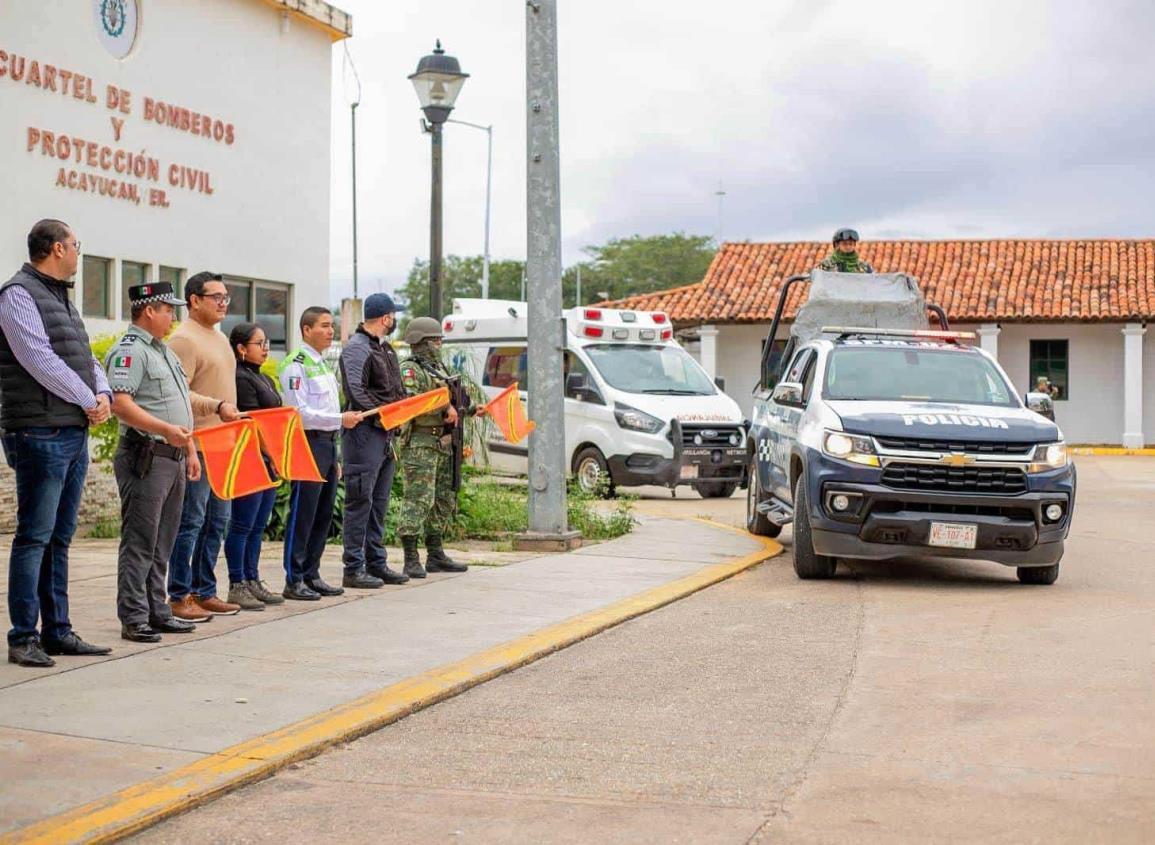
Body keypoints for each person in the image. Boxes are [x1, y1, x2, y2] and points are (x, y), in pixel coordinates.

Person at [0, 219, 112, 667]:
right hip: (39, 432)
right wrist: (89, 399)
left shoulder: (62, 298)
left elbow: (85, 358)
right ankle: (23, 635)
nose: (79, 252)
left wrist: (102, 394)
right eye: (76, 245)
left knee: (60, 538)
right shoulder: (17, 295)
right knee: (34, 537)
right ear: (56, 248)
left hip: (70, 428)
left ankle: (58, 630)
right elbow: (38, 359)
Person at [106, 283, 202, 643]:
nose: (173, 317)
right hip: (145, 456)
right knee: (140, 541)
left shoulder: (163, 352)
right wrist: (166, 430)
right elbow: (121, 403)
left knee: (163, 541)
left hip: (173, 456)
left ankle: (157, 611)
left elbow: (181, 403)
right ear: (149, 310)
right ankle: (134, 617)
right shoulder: (129, 351)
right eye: (167, 310)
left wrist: (189, 450)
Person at [166, 272, 243, 622]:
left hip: (225, 443)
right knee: (192, 521)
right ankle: (179, 594)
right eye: (216, 297)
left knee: (218, 522)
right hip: (199, 442)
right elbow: (180, 393)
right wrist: (215, 407)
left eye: (226, 297)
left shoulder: (218, 336)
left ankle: (205, 590)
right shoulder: (183, 339)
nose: (223, 302)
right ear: (194, 300)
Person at [278, 307, 359, 600]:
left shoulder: (323, 364)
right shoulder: (295, 364)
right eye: (324, 326)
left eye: (331, 326)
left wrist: (335, 451)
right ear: (306, 330)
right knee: (303, 512)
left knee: (323, 513)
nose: (330, 331)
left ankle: (312, 573)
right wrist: (341, 421)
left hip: (326, 443)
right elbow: (299, 414)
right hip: (307, 442)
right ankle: (294, 577)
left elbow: (328, 408)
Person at [396, 318, 485, 577]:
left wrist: (467, 409)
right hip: (421, 443)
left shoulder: (438, 368)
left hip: (443, 443)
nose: (438, 344)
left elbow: (450, 399)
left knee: (444, 498)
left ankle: (435, 553)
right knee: (419, 499)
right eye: (434, 340)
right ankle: (410, 557)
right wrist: (443, 407)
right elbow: (413, 401)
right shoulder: (411, 370)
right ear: (420, 342)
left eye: (439, 340)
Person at [338, 293, 408, 589]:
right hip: (365, 434)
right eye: (394, 316)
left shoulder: (385, 349)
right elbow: (356, 391)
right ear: (386, 318)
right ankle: (353, 567)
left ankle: (376, 562)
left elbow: (397, 389)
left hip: (385, 434)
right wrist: (384, 417)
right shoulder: (357, 349)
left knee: (378, 502)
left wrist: (402, 413)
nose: (395, 321)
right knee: (359, 501)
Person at [222, 323, 285, 610]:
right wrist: (268, 453)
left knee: (259, 525)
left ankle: (252, 579)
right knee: (242, 524)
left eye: (266, 342)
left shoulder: (265, 378)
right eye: (259, 343)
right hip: (251, 459)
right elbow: (251, 422)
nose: (265, 348)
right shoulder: (240, 378)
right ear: (241, 348)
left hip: (269, 459)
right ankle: (237, 583)